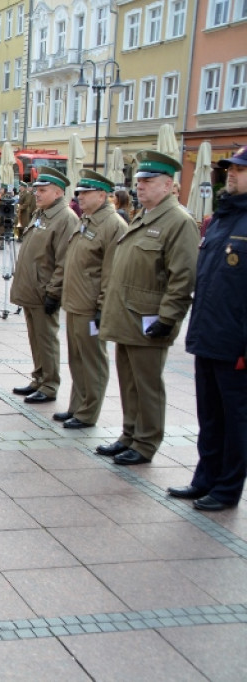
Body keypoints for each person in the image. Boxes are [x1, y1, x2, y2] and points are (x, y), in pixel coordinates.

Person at [97, 150, 198, 465]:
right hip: (127, 316)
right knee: (129, 382)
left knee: (147, 386)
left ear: (168, 185)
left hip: (149, 319)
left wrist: (168, 318)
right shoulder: (144, 215)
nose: (139, 186)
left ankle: (145, 442)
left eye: (148, 181)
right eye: (139, 180)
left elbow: (183, 276)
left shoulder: (178, 221)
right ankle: (129, 435)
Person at [171, 146, 247, 511]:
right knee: (210, 417)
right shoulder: (221, 218)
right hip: (209, 335)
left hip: (236, 345)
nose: (231, 173)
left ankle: (227, 489)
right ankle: (205, 478)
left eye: (240, 170)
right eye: (230, 168)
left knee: (236, 422)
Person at [55, 170, 127, 429]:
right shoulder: (87, 219)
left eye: (85, 193)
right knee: (77, 359)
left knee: (92, 361)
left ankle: (89, 412)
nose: (80, 197)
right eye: (79, 193)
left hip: (91, 305)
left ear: (102, 194)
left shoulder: (113, 224)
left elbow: (112, 271)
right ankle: (77, 405)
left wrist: (103, 307)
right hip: (75, 302)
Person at [11, 167, 80, 405]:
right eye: (36, 190)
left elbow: (64, 260)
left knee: (46, 339)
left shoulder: (65, 218)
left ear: (59, 192)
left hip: (45, 290)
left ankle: (50, 384)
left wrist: (54, 292)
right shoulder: (42, 213)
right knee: (36, 337)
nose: (37, 194)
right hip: (33, 289)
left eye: (43, 190)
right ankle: (39, 377)